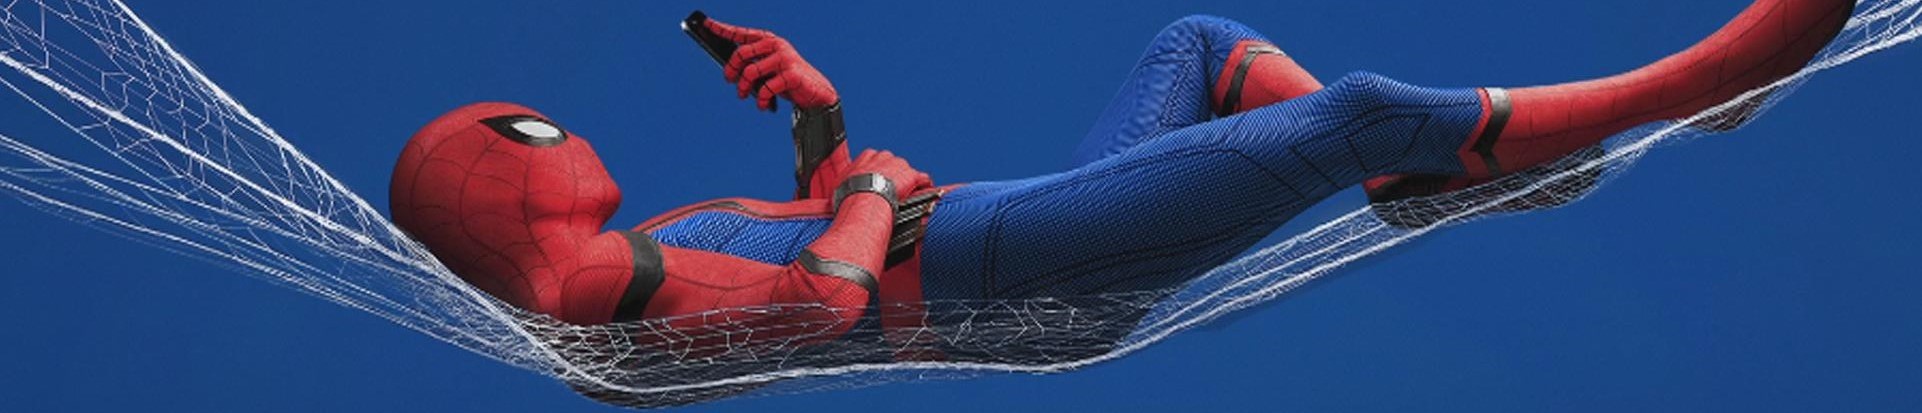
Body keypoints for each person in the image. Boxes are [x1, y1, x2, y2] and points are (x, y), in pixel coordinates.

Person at [390, 0, 1849, 378]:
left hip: (992, 246)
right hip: (989, 271)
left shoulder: (643, 252)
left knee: (1197, 45)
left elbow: (815, 241)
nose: (559, 137)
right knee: (1349, 110)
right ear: (494, 187)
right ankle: (1697, 88)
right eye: (526, 134)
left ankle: (1426, 179)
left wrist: (820, 119)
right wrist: (867, 190)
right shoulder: (595, 290)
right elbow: (820, 306)